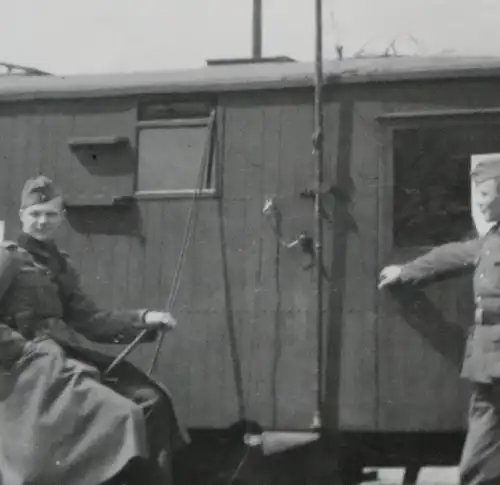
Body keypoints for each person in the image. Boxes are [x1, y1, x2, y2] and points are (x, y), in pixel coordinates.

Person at [0, 176, 189, 485]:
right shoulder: (7, 257)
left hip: (54, 360)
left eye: (49, 214)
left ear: (61, 218)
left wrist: (144, 318)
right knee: (122, 414)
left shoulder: (59, 265)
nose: (41, 221)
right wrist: (20, 350)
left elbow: (91, 320)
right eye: (34, 214)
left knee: (151, 401)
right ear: (21, 216)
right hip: (19, 370)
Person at [379, 155, 500, 485]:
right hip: (491, 365)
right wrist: (405, 272)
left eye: (486, 196)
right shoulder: (489, 244)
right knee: (479, 454)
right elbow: (450, 256)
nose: (480, 204)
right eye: (478, 196)